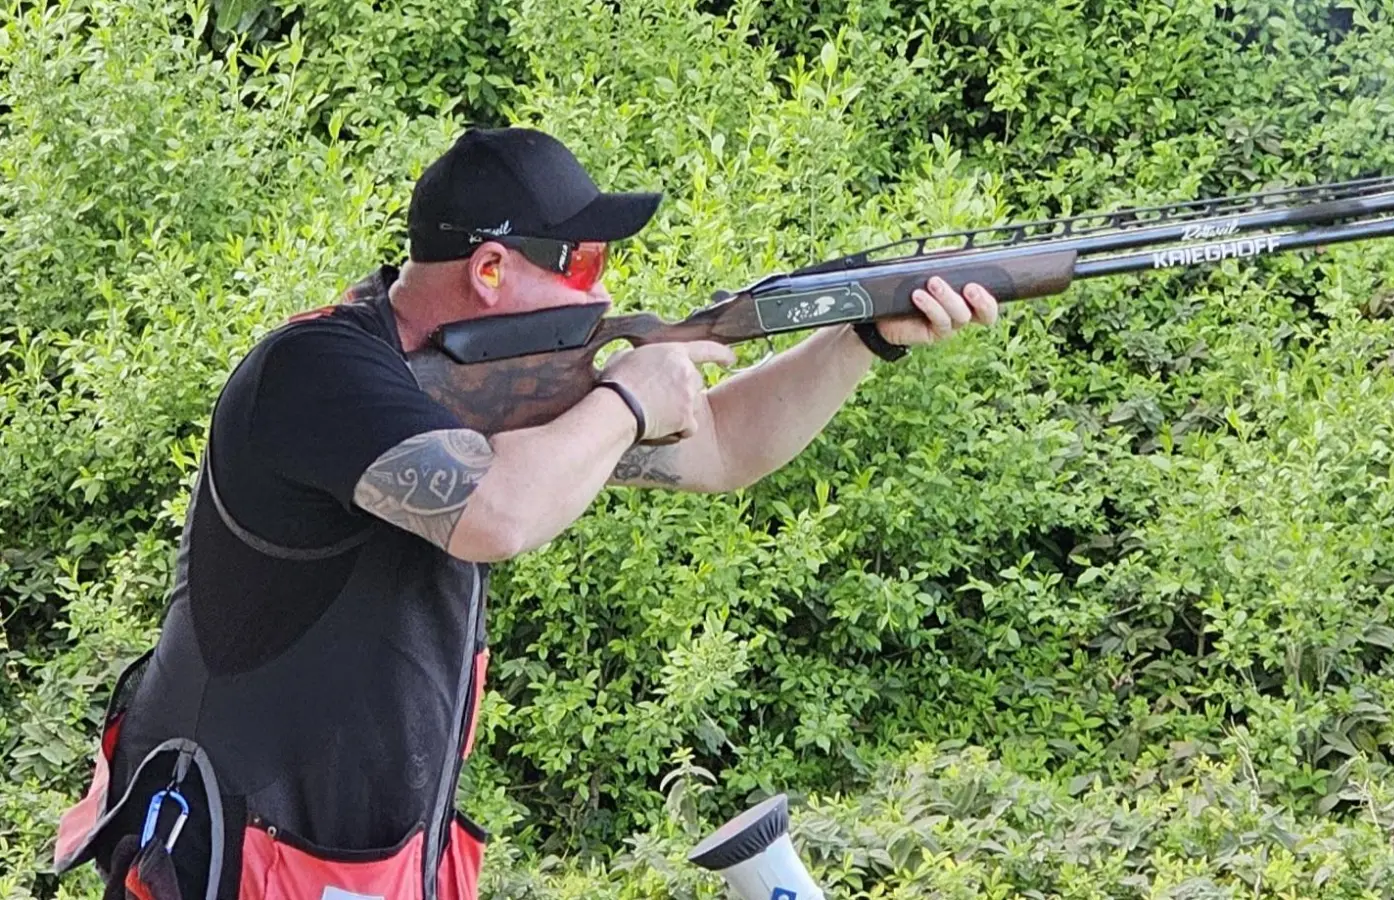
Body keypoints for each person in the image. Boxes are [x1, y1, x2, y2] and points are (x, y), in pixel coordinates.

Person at [52, 127, 999, 900]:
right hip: (235, 857)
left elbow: (721, 451)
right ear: (493, 269)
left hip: (354, 862)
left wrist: (864, 336)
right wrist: (626, 397)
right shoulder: (318, 373)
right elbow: (494, 515)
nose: (605, 287)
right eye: (584, 260)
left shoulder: (478, 392)